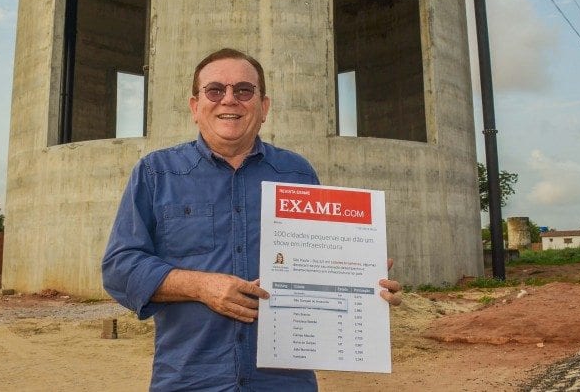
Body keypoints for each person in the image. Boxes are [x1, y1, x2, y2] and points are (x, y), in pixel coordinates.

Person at [102, 47, 402, 390]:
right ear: (195, 107)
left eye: (244, 91)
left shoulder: (297, 173)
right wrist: (203, 287)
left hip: (282, 382)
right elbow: (119, 268)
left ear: (264, 107)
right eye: (215, 90)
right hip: (189, 380)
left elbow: (323, 269)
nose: (229, 100)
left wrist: (366, 286)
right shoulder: (156, 174)